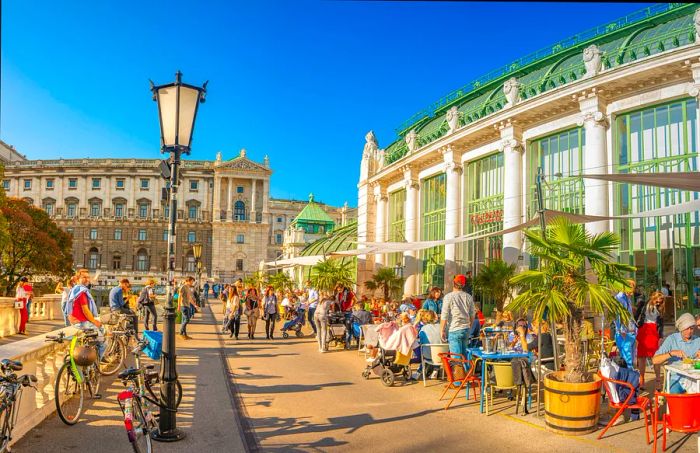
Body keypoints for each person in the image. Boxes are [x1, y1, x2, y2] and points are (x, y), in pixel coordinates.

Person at [652, 313, 700, 393]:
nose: (689, 331)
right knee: (674, 394)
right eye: (686, 328)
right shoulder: (672, 339)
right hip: (676, 378)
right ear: (681, 328)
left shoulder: (697, 340)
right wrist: (671, 353)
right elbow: (655, 360)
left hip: (695, 378)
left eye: (691, 328)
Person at [65, 269, 105, 358]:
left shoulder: (75, 289)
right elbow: (86, 311)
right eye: (84, 277)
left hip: (76, 321)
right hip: (81, 322)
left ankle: (93, 350)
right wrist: (94, 321)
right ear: (78, 279)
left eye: (88, 277)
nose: (87, 279)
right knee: (103, 339)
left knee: (100, 330)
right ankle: (98, 359)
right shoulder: (81, 292)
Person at [440, 274, 476, 360]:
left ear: (453, 283)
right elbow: (472, 315)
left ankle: (459, 373)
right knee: (465, 357)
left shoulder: (448, 297)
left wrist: (442, 330)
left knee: (456, 359)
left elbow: (444, 315)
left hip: (454, 329)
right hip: (465, 329)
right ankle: (466, 373)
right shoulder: (468, 297)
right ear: (463, 285)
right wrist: (469, 326)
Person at [636, 290, 664, 389]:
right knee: (641, 357)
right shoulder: (643, 304)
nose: (659, 303)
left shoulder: (660, 309)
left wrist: (660, 336)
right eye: (657, 300)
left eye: (660, 301)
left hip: (653, 333)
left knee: (655, 358)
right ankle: (642, 379)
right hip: (643, 331)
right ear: (653, 298)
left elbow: (661, 324)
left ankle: (658, 380)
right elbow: (636, 317)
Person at [614, 280, 638, 368]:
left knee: (630, 359)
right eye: (630, 291)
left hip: (630, 332)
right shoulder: (619, 298)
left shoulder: (627, 298)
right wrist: (621, 331)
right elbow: (617, 316)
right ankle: (628, 378)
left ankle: (630, 378)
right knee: (627, 360)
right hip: (624, 333)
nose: (631, 294)